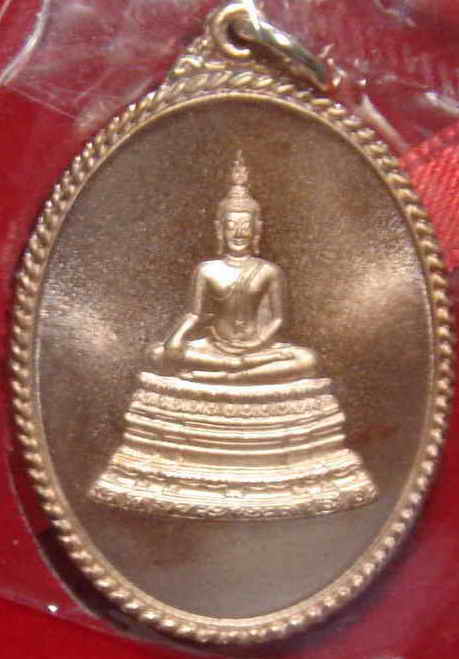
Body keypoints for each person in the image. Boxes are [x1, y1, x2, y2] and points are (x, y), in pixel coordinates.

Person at [151, 152, 317, 383]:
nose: (239, 233)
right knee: (157, 353)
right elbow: (193, 314)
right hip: (215, 346)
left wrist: (256, 344)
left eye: (245, 226)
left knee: (308, 359)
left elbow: (279, 319)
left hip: (258, 348)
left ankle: (227, 375)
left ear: (256, 229)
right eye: (231, 226)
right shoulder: (206, 270)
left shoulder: (269, 271)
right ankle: (234, 368)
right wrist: (176, 339)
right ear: (220, 230)